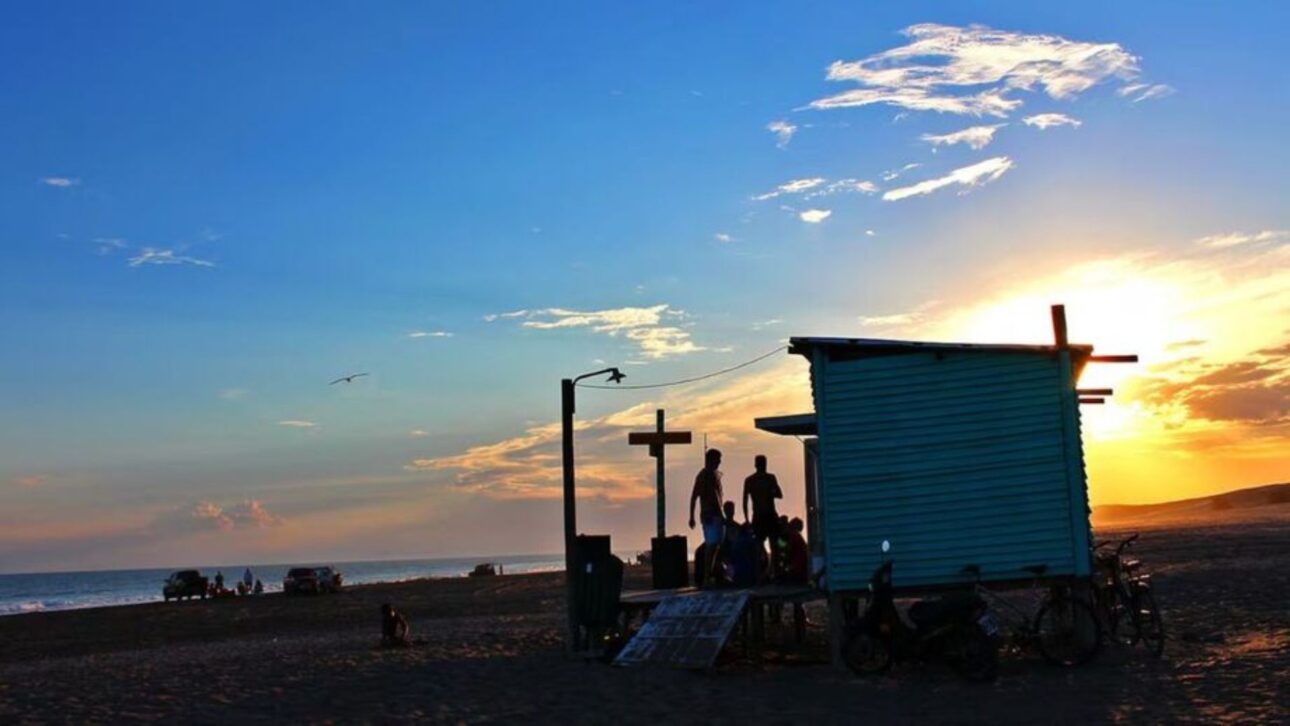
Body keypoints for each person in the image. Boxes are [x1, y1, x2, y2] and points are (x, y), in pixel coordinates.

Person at [688, 448, 724, 588]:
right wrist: (691, 516)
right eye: (717, 459)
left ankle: (713, 575)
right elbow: (694, 496)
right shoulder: (704, 476)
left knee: (716, 545)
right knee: (711, 545)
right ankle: (706, 578)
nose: (719, 462)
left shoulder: (714, 475)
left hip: (716, 515)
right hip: (710, 515)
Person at [742, 455, 783, 550]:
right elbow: (779, 494)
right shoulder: (769, 478)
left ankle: (765, 558)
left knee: (761, 545)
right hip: (766, 515)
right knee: (767, 545)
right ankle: (768, 559)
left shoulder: (751, 480)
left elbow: (745, 501)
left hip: (763, 515)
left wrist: (747, 519)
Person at [784, 517, 809, 585]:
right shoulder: (796, 536)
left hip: (797, 565)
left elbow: (789, 549)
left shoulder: (794, 536)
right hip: (799, 564)